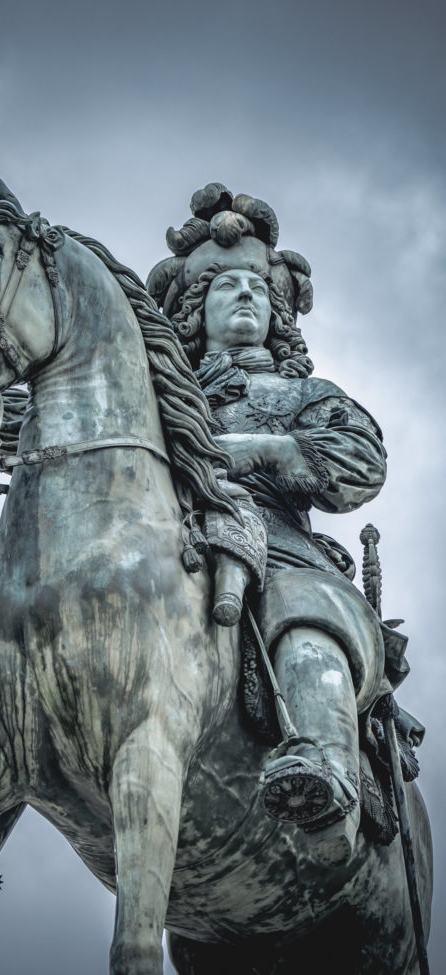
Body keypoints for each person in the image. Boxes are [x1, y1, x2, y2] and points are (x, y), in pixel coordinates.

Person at [147, 183, 389, 864]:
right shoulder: (148, 395)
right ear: (196, 311)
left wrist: (252, 450)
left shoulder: (306, 394)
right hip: (163, 543)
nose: (246, 295)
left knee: (304, 613)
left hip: (279, 551)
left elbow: (361, 462)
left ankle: (326, 772)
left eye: (257, 285)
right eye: (227, 285)